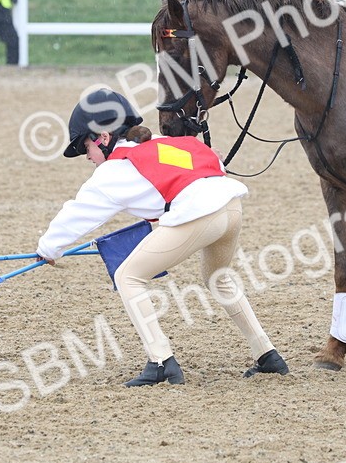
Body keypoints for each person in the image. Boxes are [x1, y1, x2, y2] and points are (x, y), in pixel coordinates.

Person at [35, 88, 289, 387]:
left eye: (85, 147)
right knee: (217, 277)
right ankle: (267, 355)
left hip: (201, 214)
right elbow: (211, 164)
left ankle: (161, 362)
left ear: (103, 137)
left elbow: (77, 214)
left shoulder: (113, 170)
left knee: (128, 277)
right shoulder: (162, 144)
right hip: (231, 208)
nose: (86, 156)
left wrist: (48, 248)